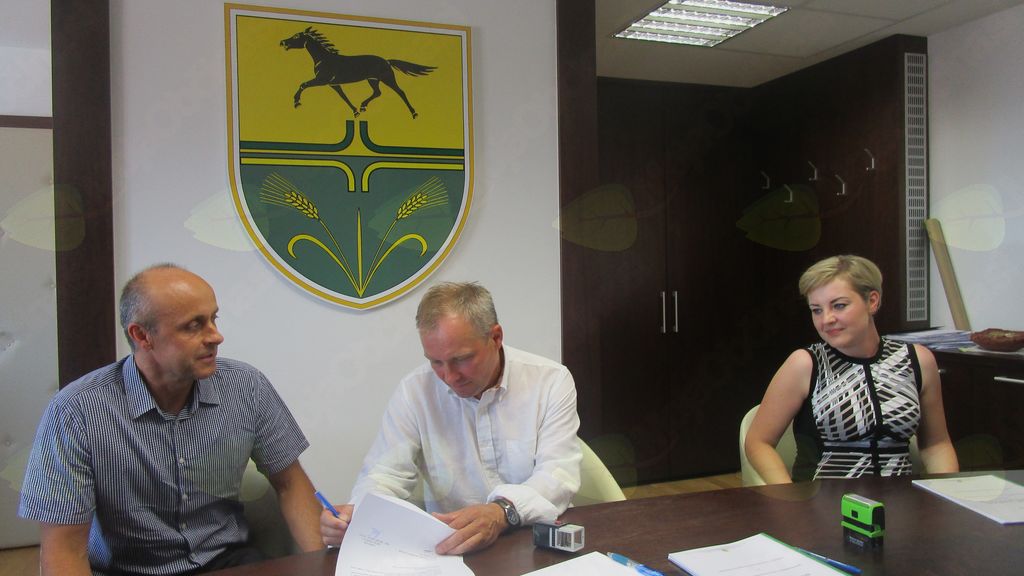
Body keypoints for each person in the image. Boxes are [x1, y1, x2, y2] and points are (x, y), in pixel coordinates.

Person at [19, 264, 324, 575]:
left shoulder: (246, 386)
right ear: (142, 336)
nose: (216, 336)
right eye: (193, 326)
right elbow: (65, 546)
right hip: (126, 569)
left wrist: (327, 565)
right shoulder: (77, 411)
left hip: (224, 561)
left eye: (213, 319)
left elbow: (290, 484)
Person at [320, 281, 581, 555]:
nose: (449, 376)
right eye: (436, 362)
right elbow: (385, 474)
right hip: (452, 550)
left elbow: (557, 475)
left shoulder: (550, 381)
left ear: (496, 337)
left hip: (535, 541)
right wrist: (356, 515)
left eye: (461, 359)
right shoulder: (415, 391)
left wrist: (501, 511)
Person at [744, 255, 959, 483]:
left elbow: (936, 445)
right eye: (816, 310)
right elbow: (758, 442)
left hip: (901, 498)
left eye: (839, 305)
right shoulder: (805, 364)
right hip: (820, 499)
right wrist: (788, 495)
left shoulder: (918, 360)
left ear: (872, 301)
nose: (826, 319)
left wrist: (948, 492)